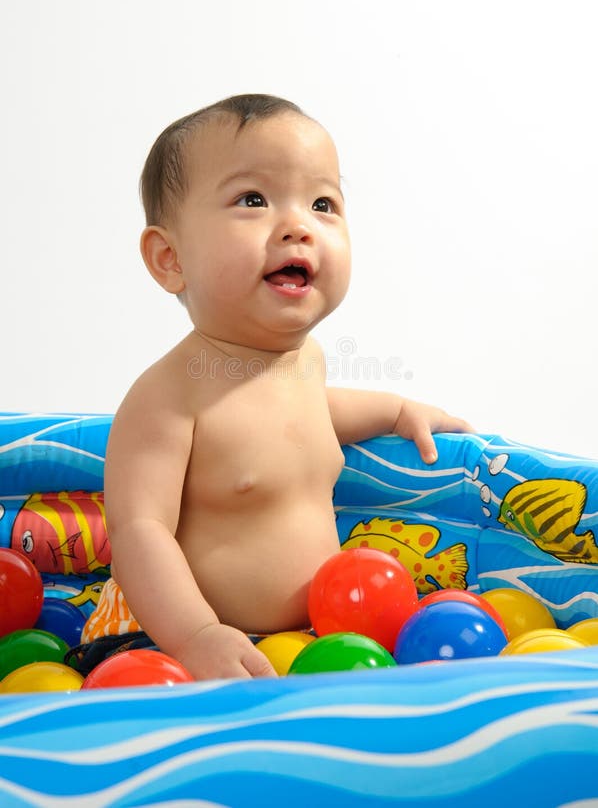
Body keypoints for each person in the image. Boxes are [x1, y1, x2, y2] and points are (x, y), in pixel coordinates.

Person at [80, 94, 473, 680]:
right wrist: (196, 635)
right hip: (164, 643)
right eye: (254, 200)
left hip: (307, 642)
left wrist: (395, 411)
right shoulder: (167, 396)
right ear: (170, 258)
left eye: (322, 203)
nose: (297, 226)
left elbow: (308, 418)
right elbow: (139, 529)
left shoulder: (305, 363)